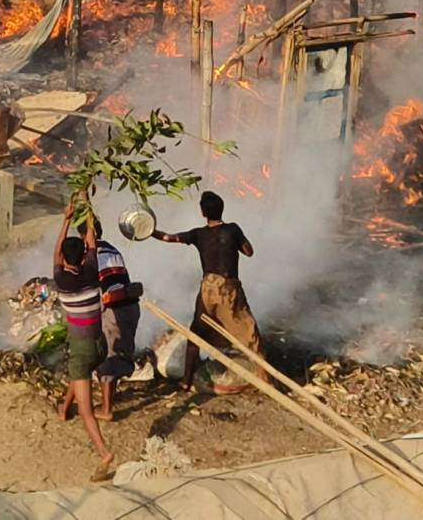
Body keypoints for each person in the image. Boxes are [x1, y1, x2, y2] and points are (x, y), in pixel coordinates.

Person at [152, 190, 270, 390]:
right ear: (222, 210)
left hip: (208, 289)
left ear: (203, 213)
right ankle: (266, 381)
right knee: (249, 334)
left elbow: (169, 238)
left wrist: (149, 231)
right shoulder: (233, 230)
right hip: (229, 289)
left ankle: (186, 381)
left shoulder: (198, 234)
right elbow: (249, 252)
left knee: (196, 333)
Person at [52, 200, 113, 479]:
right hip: (100, 344)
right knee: (80, 376)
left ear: (65, 260)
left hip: (81, 347)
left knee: (87, 410)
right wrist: (88, 207)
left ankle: (104, 452)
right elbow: (91, 242)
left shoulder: (62, 279)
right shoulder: (91, 273)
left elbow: (57, 252)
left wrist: (66, 219)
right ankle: (63, 410)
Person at [77, 213, 141, 421]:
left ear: (84, 237)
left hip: (114, 311)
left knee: (108, 358)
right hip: (130, 308)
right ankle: (108, 397)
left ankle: (106, 409)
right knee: (120, 353)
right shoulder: (113, 249)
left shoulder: (93, 256)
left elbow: (103, 290)